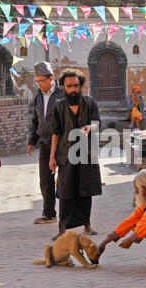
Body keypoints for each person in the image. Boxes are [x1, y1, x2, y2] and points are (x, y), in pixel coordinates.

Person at [49, 69, 102, 241]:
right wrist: (52, 157)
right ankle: (62, 228)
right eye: (69, 86)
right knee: (65, 191)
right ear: (63, 87)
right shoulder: (58, 106)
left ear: (81, 86)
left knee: (86, 190)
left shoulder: (89, 102)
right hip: (66, 154)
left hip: (86, 153)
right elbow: (56, 133)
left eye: (76, 86)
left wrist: (89, 128)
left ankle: (86, 223)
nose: (73, 89)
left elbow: (96, 123)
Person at [28, 61, 64, 225]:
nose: (38, 84)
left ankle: (67, 213)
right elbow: (35, 120)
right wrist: (31, 141)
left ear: (51, 79)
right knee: (45, 180)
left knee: (64, 179)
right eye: (37, 81)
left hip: (62, 143)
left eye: (41, 80)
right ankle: (49, 213)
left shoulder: (62, 94)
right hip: (44, 142)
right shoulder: (38, 96)